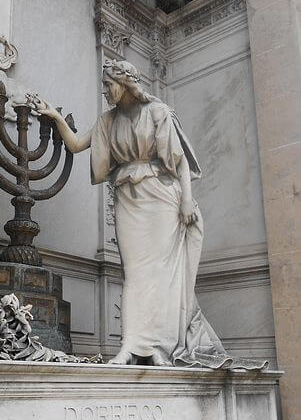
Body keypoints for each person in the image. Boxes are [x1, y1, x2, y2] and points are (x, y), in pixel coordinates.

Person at [34, 59, 266, 369]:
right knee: (135, 273)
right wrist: (54, 116)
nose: (104, 91)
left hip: (161, 198)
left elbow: (181, 161)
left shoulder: (157, 112)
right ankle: (130, 345)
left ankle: (159, 347)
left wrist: (187, 200)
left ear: (125, 83)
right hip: (129, 200)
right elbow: (76, 145)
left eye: (108, 85)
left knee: (160, 275)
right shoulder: (107, 122)